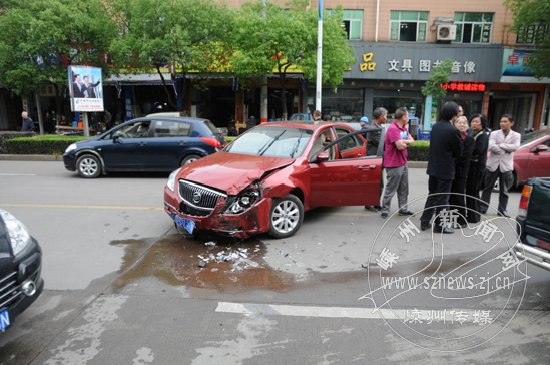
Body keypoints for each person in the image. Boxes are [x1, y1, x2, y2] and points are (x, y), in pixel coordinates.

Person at [419, 101, 463, 234]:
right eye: (457, 113)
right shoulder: (453, 130)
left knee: (432, 195)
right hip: (445, 170)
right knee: (443, 199)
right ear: (453, 115)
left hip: (433, 168)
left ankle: (424, 221)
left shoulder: (436, 126)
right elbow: (458, 152)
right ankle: (440, 226)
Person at [480, 114, 521, 218]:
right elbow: (491, 146)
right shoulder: (494, 133)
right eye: (501, 121)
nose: (502, 123)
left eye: (505, 121)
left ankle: (502, 210)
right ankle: (483, 208)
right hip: (493, 164)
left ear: (511, 123)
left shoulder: (516, 135)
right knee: (487, 188)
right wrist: (506, 149)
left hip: (506, 166)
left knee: (504, 190)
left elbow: (515, 147)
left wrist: (500, 145)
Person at [380, 107, 415, 219]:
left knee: (404, 188)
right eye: (408, 115)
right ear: (403, 117)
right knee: (391, 188)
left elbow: (412, 142)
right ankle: (385, 210)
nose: (409, 117)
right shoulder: (393, 129)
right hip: (394, 163)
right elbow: (400, 146)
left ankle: (403, 209)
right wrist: (406, 142)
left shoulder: (404, 128)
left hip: (403, 162)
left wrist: (405, 142)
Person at [449, 115, 475, 227]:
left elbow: (464, 156)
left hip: (461, 171)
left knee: (459, 196)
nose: (462, 124)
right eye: (459, 122)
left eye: (464, 122)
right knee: (450, 196)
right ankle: (450, 218)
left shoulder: (469, 139)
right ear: (455, 124)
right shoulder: (453, 137)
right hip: (450, 170)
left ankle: (461, 220)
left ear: (467, 126)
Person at [465, 114, 489, 223]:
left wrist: (466, 148)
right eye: (472, 121)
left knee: (473, 191)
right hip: (471, 166)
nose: (474, 123)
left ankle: (474, 216)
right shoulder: (472, 133)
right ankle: (471, 214)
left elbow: (478, 150)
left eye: (476, 122)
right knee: (470, 190)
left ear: (482, 124)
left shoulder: (483, 135)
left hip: (477, 167)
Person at [365, 107, 388, 212]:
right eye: (385, 115)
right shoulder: (373, 129)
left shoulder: (378, 127)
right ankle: (368, 203)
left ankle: (376, 202)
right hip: (373, 160)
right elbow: (383, 143)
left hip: (379, 160)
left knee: (379, 183)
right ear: (380, 117)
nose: (386, 118)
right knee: (373, 183)